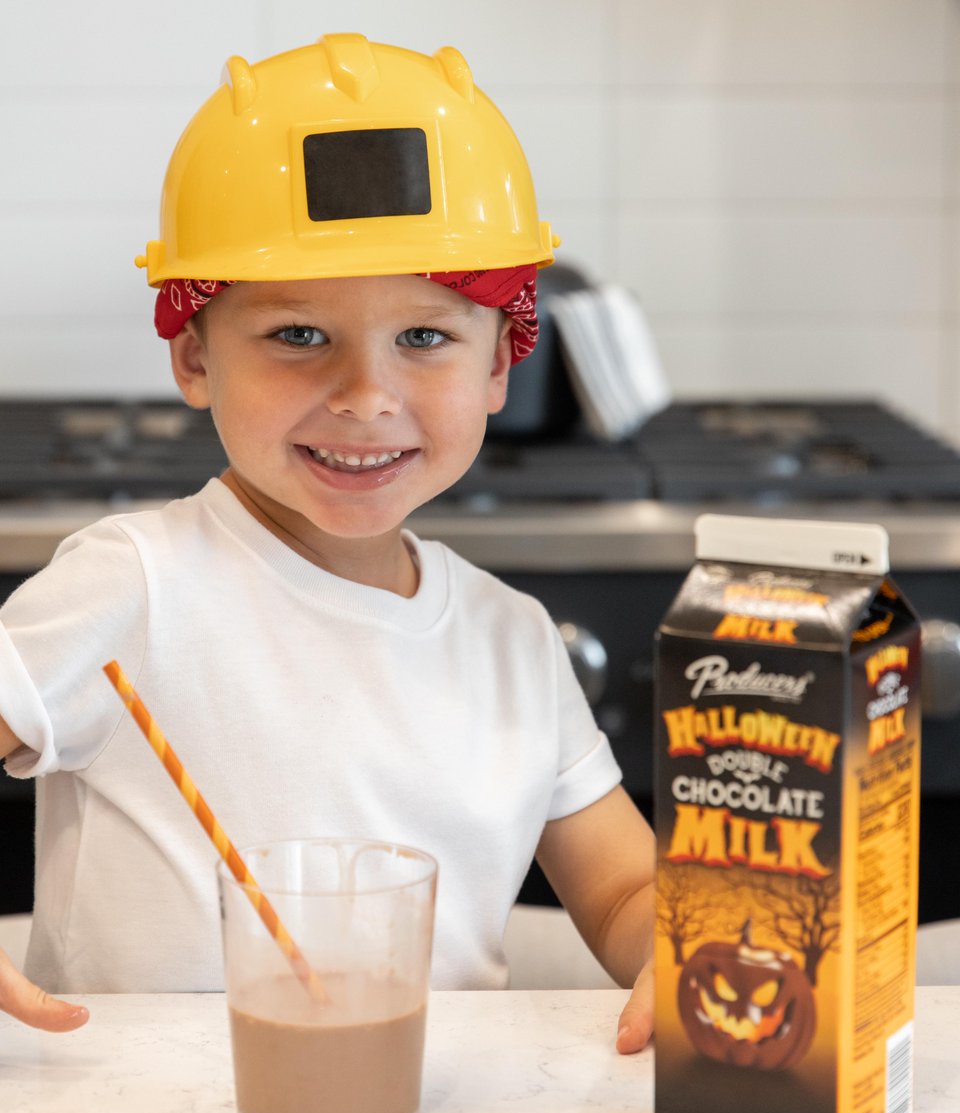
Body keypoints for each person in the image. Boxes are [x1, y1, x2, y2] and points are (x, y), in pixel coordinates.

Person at [0, 34, 655, 1052]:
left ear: (500, 367)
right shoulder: (134, 584)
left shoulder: (514, 639)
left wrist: (687, 955)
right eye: (298, 334)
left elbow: (623, 891)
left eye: (426, 337)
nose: (364, 395)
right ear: (193, 355)